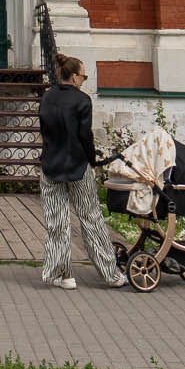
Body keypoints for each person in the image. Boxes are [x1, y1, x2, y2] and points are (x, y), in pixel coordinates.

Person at [36, 53, 124, 289]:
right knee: (91, 217)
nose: (84, 80)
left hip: (51, 164)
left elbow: (45, 132)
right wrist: (93, 161)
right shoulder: (83, 101)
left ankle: (63, 274)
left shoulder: (46, 99)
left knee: (57, 221)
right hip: (77, 165)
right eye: (84, 76)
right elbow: (85, 137)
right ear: (74, 77)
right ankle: (111, 275)